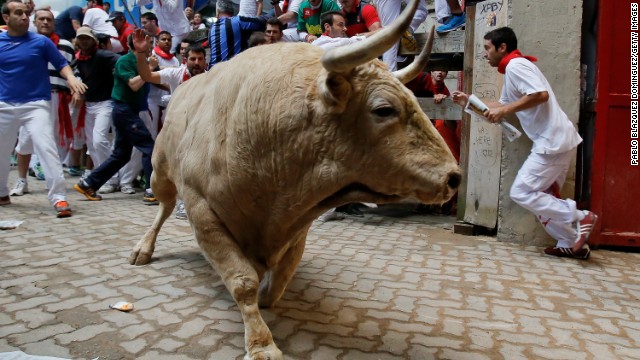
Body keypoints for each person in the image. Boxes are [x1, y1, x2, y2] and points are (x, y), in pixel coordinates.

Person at [452, 27, 597, 259]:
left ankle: (579, 216)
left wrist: (506, 109)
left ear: (502, 48)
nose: (484, 54)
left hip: (552, 141)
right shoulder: (512, 69)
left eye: (487, 48)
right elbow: (501, 106)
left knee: (522, 193)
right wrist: (469, 101)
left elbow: (540, 95)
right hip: (558, 140)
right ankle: (569, 242)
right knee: (541, 197)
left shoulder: (516, 66)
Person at [0, 0, 87, 217]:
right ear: (5, 18)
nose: (23, 16)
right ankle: (2, 192)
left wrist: (71, 80)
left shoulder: (41, 42)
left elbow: (62, 64)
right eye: (17, 13)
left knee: (46, 147)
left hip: (36, 104)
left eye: (25, 13)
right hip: (4, 104)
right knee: (1, 151)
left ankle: (59, 198)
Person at [74, 33, 157, 204]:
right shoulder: (124, 61)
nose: (151, 45)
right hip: (124, 111)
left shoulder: (144, 61)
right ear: (136, 44)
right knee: (149, 147)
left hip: (130, 110)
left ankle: (88, 183)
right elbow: (134, 85)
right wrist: (149, 69)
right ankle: (151, 190)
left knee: (121, 155)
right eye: (148, 42)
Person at [133, 30, 207, 218]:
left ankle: (187, 201)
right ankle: (165, 192)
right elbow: (147, 76)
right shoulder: (175, 74)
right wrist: (141, 54)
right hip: (177, 130)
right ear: (185, 60)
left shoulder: (210, 76)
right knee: (174, 165)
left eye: (200, 59)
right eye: (193, 59)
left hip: (200, 129)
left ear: (205, 61)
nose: (196, 63)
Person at [11, 8, 78, 198]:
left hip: (58, 98)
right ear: (35, 22)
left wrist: (76, 87)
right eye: (41, 19)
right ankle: (21, 180)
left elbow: (73, 69)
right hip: (30, 97)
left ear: (54, 23)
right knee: (25, 141)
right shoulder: (23, 42)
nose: (46, 22)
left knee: (52, 143)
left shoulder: (65, 45)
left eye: (49, 19)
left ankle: (55, 185)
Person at [73, 26, 123, 193]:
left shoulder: (101, 55)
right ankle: (104, 178)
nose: (84, 41)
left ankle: (112, 177)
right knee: (92, 145)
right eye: (81, 38)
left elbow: (121, 60)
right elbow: (72, 72)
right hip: (89, 105)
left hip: (105, 104)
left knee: (99, 140)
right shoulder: (78, 59)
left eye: (87, 38)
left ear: (93, 41)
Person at [208, 0, 265, 67]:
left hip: (212, 71)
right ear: (232, 12)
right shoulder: (238, 21)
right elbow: (259, 23)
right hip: (231, 70)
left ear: (217, 13)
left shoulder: (211, 29)